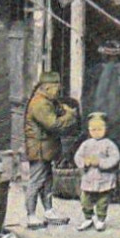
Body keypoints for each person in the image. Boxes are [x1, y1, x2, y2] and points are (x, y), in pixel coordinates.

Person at [23, 70, 76, 228]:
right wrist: (70, 116)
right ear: (47, 88)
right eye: (56, 89)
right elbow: (53, 124)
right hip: (39, 149)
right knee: (36, 181)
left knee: (47, 182)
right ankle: (31, 215)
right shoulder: (40, 103)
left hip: (45, 148)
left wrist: (63, 110)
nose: (58, 92)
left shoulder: (47, 101)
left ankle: (48, 211)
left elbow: (57, 112)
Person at [72, 112, 120, 232]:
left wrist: (100, 163)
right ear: (89, 130)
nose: (96, 132)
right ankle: (88, 217)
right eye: (93, 129)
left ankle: (100, 219)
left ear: (106, 129)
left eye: (100, 129)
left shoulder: (109, 144)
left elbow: (115, 158)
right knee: (85, 199)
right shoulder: (86, 144)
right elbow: (77, 157)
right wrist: (85, 162)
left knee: (102, 200)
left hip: (104, 178)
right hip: (89, 177)